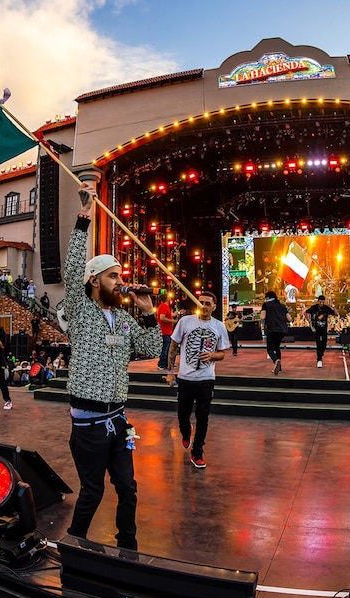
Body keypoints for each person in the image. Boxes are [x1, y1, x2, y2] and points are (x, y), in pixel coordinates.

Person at [63, 182, 161, 551]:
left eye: (120, 276)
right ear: (94, 281)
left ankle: (128, 549)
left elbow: (152, 347)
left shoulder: (121, 318)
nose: (121, 282)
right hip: (88, 425)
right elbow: (72, 270)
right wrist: (85, 215)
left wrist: (149, 312)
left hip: (119, 420)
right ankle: (73, 546)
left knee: (129, 489)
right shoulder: (82, 310)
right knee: (92, 491)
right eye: (113, 276)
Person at [166, 291, 230, 469]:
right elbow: (173, 346)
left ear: (214, 307)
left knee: (203, 417)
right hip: (185, 378)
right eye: (201, 302)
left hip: (206, 379)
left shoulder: (219, 326)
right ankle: (186, 432)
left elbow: (223, 353)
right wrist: (170, 371)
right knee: (182, 414)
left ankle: (198, 451)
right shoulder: (185, 322)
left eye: (208, 303)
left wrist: (212, 355)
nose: (204, 306)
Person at [261, 290, 291, 375]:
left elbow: (263, 317)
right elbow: (289, 319)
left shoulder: (266, 305)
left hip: (272, 329)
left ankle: (276, 361)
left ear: (267, 297)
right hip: (282, 330)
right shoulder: (282, 305)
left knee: (270, 349)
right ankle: (280, 367)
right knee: (277, 347)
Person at [305, 295, 336, 368]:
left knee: (324, 343)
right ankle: (319, 359)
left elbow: (335, 314)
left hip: (324, 328)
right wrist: (309, 321)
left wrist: (333, 306)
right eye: (320, 302)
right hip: (316, 328)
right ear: (318, 301)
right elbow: (306, 312)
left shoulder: (326, 308)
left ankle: (320, 354)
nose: (321, 303)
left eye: (323, 302)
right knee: (318, 343)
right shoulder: (314, 307)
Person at [156, 297, 178, 370]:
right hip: (165, 331)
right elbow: (162, 318)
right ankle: (162, 364)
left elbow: (169, 314)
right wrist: (173, 321)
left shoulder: (165, 307)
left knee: (168, 348)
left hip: (167, 331)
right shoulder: (163, 306)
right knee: (165, 348)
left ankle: (168, 364)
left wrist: (177, 313)